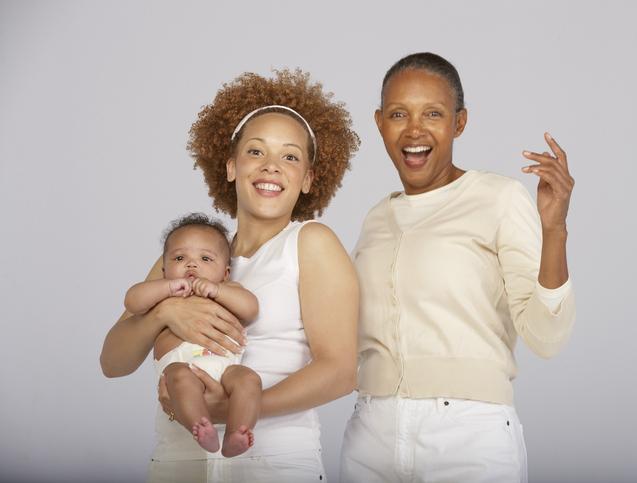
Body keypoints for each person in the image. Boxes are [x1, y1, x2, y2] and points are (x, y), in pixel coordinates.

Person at [101, 69, 360, 482]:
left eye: (290, 156)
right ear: (230, 167)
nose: (272, 167)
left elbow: (341, 372)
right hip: (177, 459)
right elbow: (112, 362)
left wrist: (233, 411)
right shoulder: (192, 253)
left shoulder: (311, 242)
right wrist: (163, 315)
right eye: (256, 151)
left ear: (309, 178)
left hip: (273, 463)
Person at [339, 52, 576, 482]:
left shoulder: (497, 198)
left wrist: (554, 229)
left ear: (459, 123)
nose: (414, 129)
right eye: (398, 114)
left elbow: (546, 337)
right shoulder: (376, 218)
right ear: (379, 123)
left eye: (433, 113)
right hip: (370, 433)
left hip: (468, 434)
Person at [124, 213, 260, 457]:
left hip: (225, 366)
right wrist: (165, 288)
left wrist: (217, 290)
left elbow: (251, 308)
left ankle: (235, 433)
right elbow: (132, 300)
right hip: (180, 363)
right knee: (180, 379)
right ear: (164, 269)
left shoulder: (227, 289)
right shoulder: (164, 293)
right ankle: (200, 426)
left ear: (226, 272)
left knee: (249, 380)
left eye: (205, 258)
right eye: (180, 257)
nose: (192, 264)